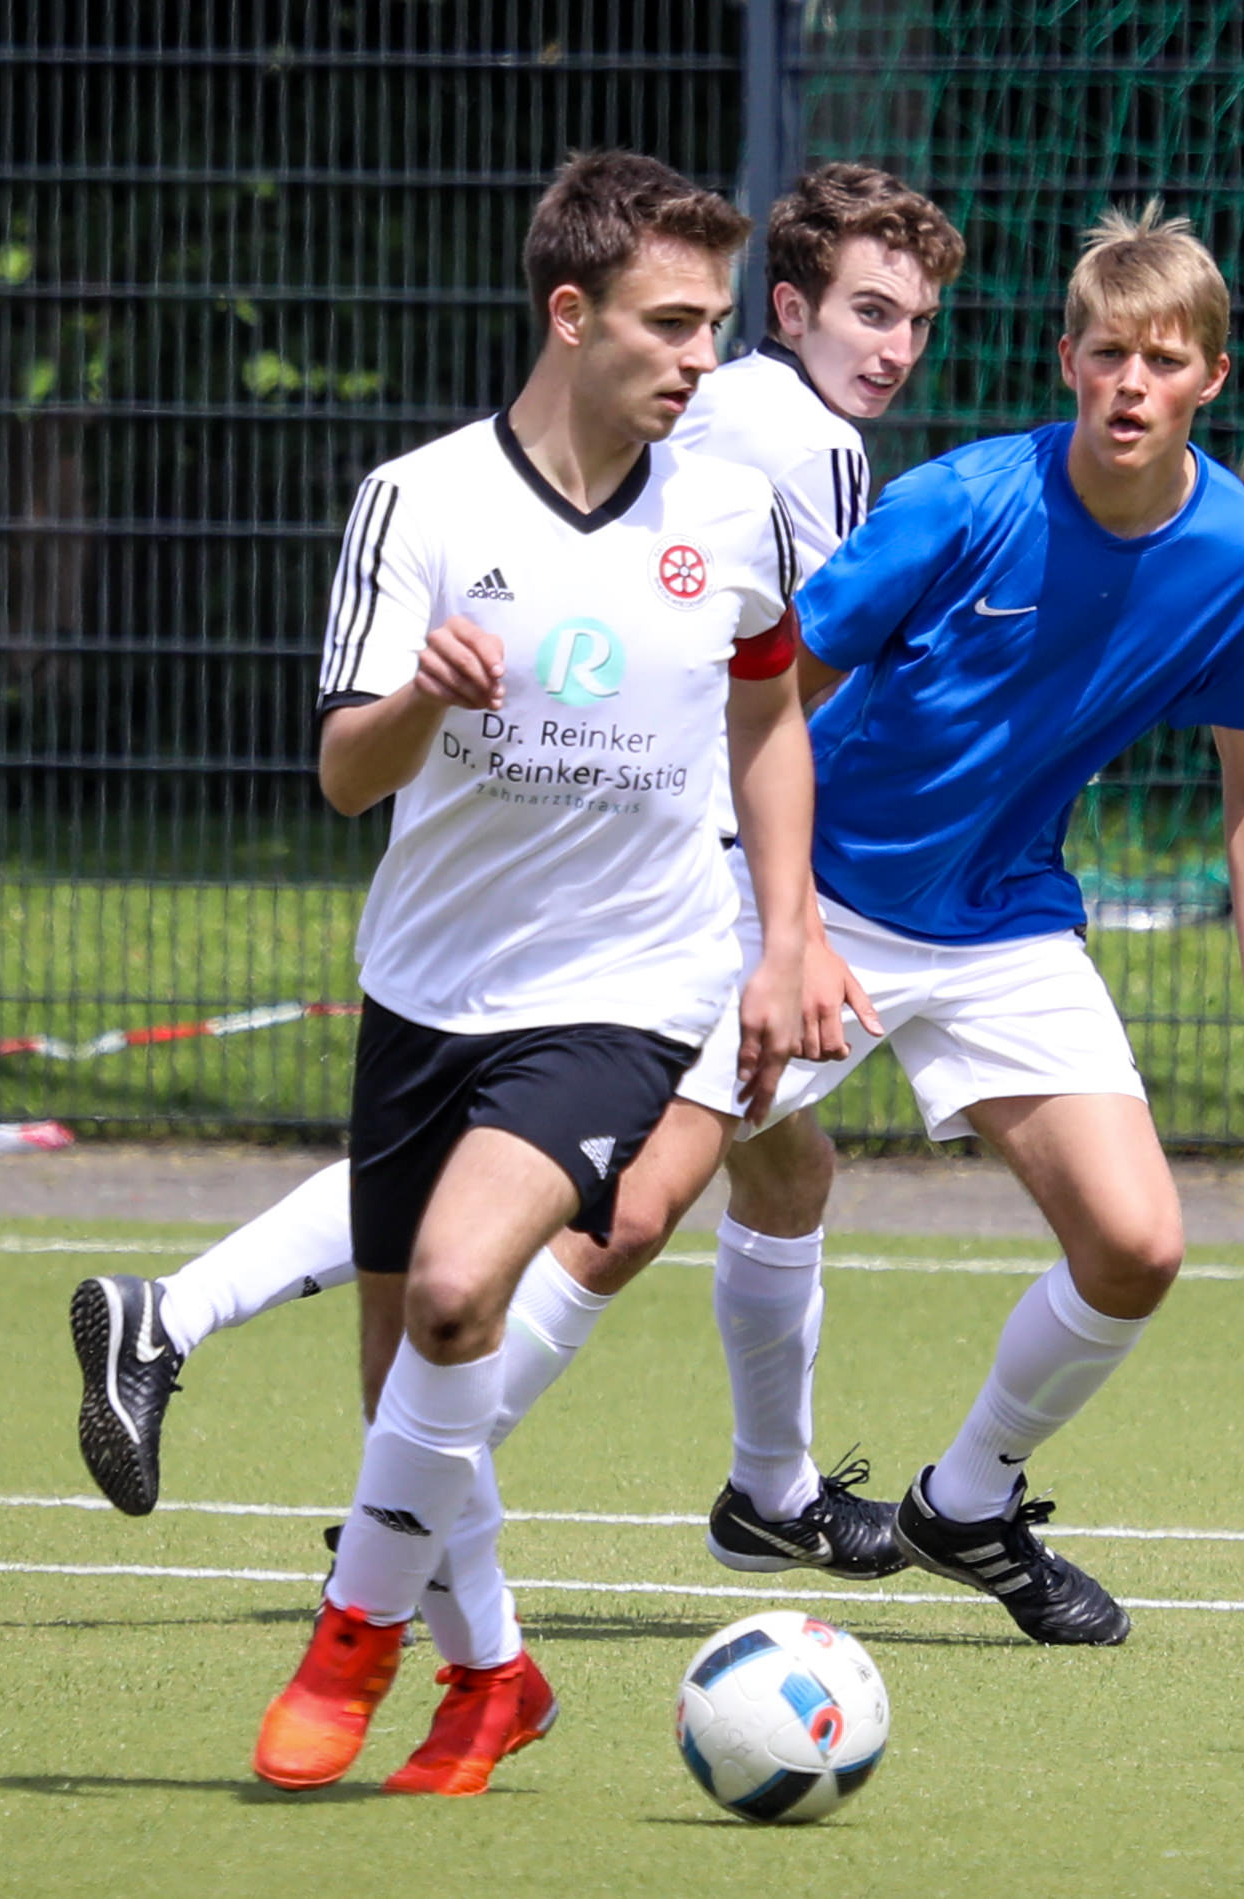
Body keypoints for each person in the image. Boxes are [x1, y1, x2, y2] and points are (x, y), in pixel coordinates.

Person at [68, 167, 964, 1579]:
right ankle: (376, 1475)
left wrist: (792, 913)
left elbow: (761, 698)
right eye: (868, 310)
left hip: (666, 898)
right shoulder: (779, 452)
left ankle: (764, 1487)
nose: (895, 346)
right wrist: (801, 913)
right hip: (614, 907)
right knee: (608, 1213)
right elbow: (795, 694)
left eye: (916, 320)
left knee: (756, 1174)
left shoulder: (717, 446)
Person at [518, 201, 1244, 1647]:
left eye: (1162, 360)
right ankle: (406, 1510)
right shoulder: (958, 505)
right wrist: (791, 927)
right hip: (815, 892)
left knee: (1136, 1246)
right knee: (631, 1210)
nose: (1130, 384)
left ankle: (965, 1502)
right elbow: (764, 701)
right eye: (1105, 353)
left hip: (1006, 921)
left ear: (1214, 376)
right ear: (1067, 360)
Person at [246, 149, 813, 1798]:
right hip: (427, 987)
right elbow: (348, 776)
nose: (702, 358)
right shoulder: (421, 502)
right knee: (406, 1382)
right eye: (670, 323)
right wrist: (425, 698)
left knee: (452, 1292)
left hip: (631, 986)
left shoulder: (729, 509)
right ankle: (490, 1675)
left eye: (714, 324)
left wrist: (787, 937)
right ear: (571, 315)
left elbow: (768, 718)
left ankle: (351, 1641)